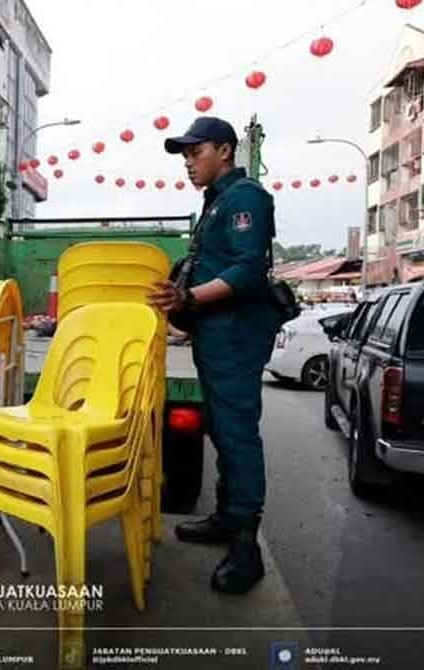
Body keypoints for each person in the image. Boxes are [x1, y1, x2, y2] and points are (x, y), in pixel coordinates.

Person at [148, 117, 278, 595]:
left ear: (225, 151)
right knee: (222, 427)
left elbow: (248, 270)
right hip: (216, 332)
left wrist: (190, 299)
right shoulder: (216, 202)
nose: (188, 162)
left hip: (237, 333)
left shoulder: (245, 198)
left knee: (237, 431)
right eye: (184, 155)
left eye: (195, 152)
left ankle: (246, 547)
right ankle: (226, 517)